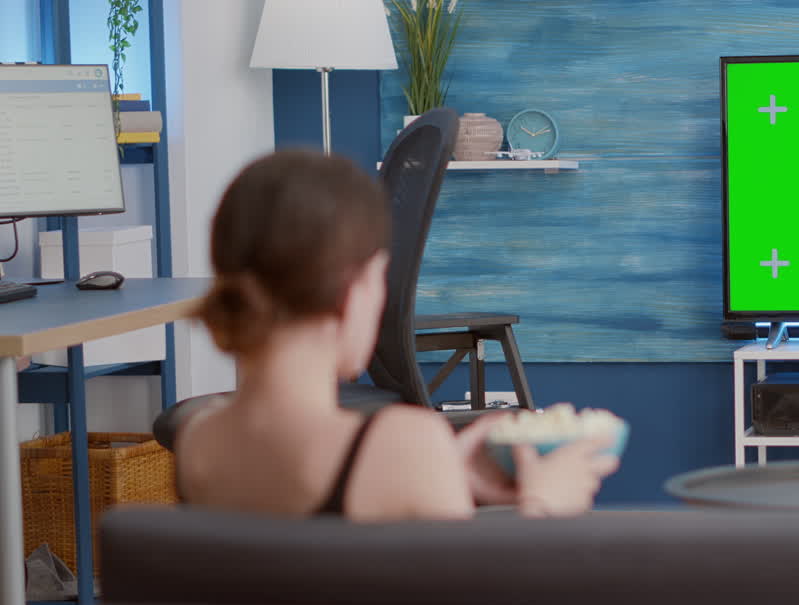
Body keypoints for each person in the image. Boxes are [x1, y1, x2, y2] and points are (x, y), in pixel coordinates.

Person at [174, 149, 617, 521]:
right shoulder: (403, 445)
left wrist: (445, 466)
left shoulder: (197, 441)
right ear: (350, 294)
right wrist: (544, 506)